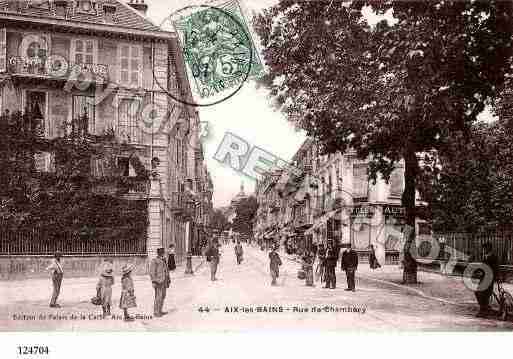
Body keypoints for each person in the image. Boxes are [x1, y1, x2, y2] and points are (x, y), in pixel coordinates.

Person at [474, 242, 499, 317]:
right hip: (483, 278)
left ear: (489, 248)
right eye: (483, 248)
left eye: (485, 248)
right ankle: (484, 308)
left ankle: (483, 311)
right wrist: (478, 272)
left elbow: (495, 268)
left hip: (489, 278)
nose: (484, 250)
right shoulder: (485, 256)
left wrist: (494, 277)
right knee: (478, 292)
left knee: (484, 294)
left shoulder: (493, 257)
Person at [150, 248, 170, 317]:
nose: (164, 254)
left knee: (163, 296)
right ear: (159, 253)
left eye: (163, 253)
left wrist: (168, 280)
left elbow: (167, 270)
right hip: (158, 281)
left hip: (164, 281)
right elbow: (152, 272)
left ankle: (160, 310)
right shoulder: (154, 261)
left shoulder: (164, 260)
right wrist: (154, 281)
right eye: (163, 253)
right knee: (158, 297)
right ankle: (156, 312)